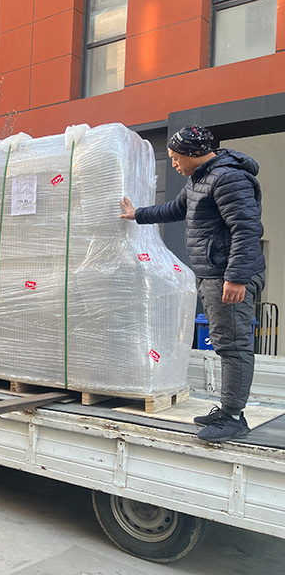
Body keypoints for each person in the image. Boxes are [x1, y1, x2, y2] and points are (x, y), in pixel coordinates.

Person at [120, 125, 265, 443]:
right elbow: (176, 208)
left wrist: (236, 277)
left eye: (175, 157)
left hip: (228, 276)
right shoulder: (200, 179)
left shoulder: (228, 178)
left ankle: (233, 417)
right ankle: (228, 411)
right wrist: (137, 214)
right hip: (214, 274)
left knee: (234, 345)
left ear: (193, 153)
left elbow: (246, 229)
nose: (173, 163)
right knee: (225, 342)